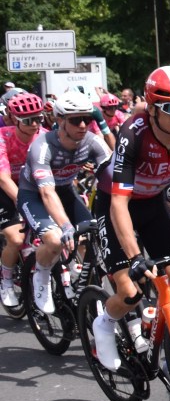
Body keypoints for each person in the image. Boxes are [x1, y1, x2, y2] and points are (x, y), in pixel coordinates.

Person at [90, 67, 170, 378]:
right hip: (114, 204)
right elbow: (119, 204)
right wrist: (136, 258)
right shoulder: (133, 133)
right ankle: (104, 322)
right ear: (151, 108)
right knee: (130, 292)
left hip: (151, 203)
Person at [17, 91, 112, 314]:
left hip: (65, 191)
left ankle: (80, 280)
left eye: (87, 119)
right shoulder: (42, 147)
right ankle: (41, 273)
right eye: (75, 119)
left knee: (91, 236)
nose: (82, 125)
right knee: (55, 240)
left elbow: (112, 178)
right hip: (34, 195)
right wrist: (66, 226)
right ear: (59, 120)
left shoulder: (92, 142)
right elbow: (47, 193)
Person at [0, 92, 46, 307]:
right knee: (17, 239)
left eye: (39, 118)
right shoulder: (3, 136)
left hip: (32, 186)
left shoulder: (44, 136)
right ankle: (6, 279)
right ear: (15, 120)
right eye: (29, 120)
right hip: (6, 187)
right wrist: (26, 205)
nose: (35, 124)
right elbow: (3, 178)